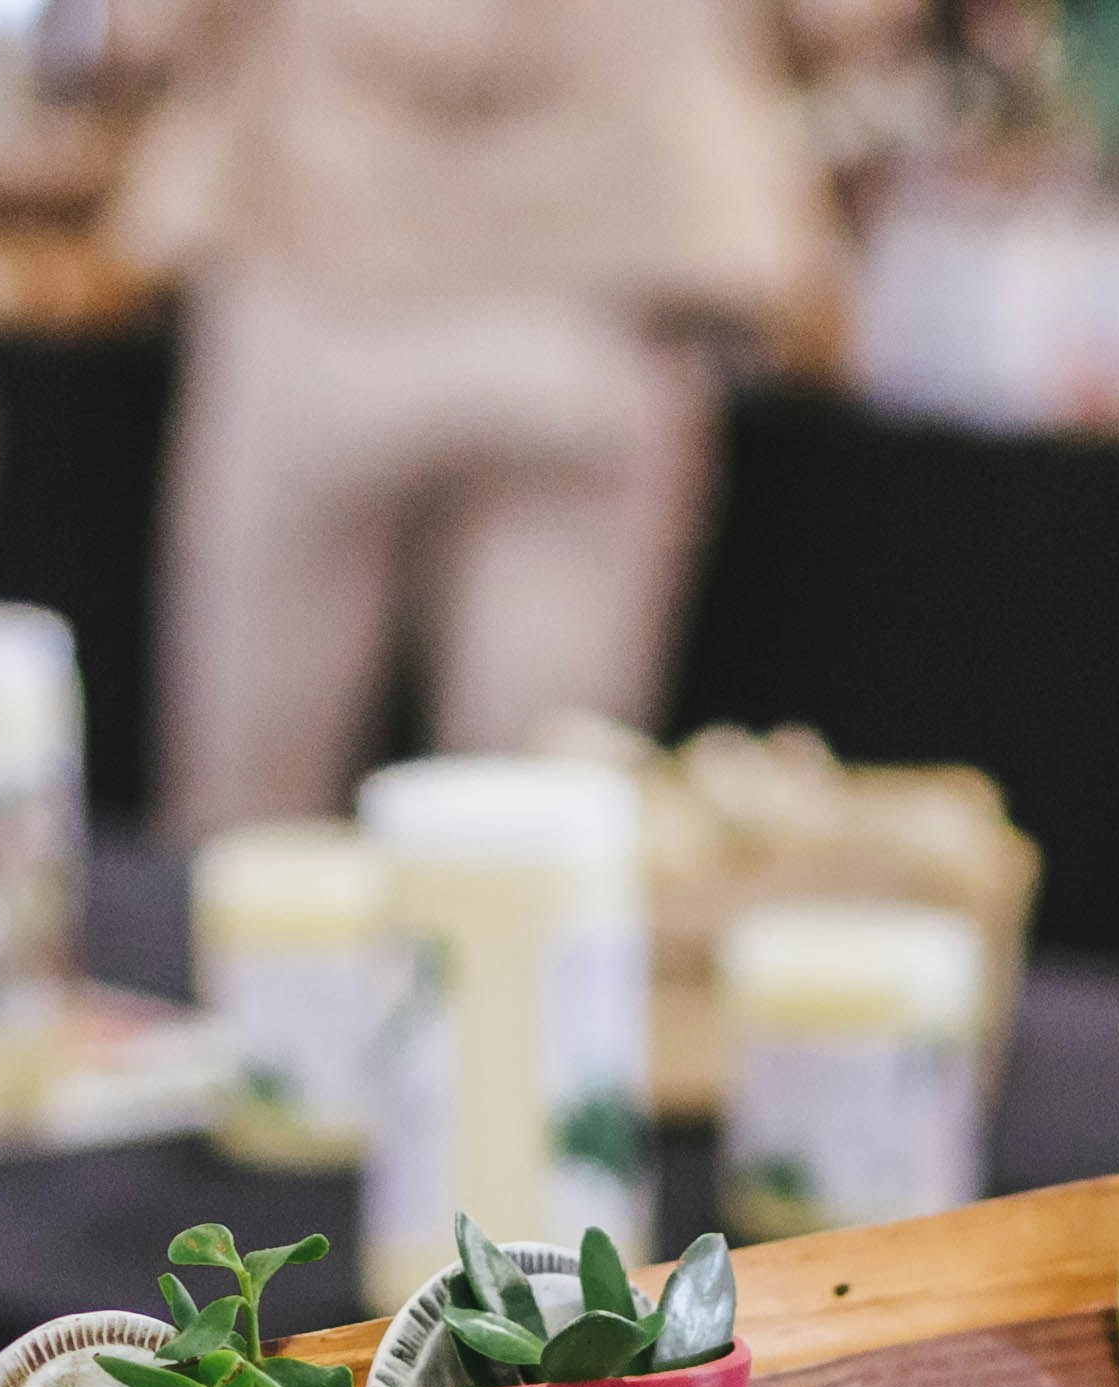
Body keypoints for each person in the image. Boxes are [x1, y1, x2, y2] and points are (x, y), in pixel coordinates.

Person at [117, 0, 837, 831]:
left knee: (249, 831)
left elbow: (148, 29)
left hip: (322, 250)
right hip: (599, 274)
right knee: (529, 830)